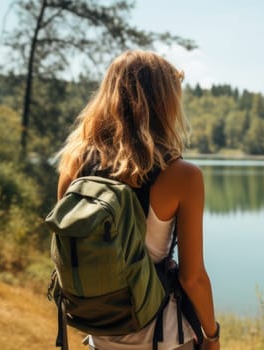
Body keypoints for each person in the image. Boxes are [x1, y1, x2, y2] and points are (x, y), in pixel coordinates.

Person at [55, 50, 220, 350]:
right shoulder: (182, 175)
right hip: (162, 338)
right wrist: (212, 334)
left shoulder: (74, 163)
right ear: (163, 104)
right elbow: (192, 278)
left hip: (100, 336)